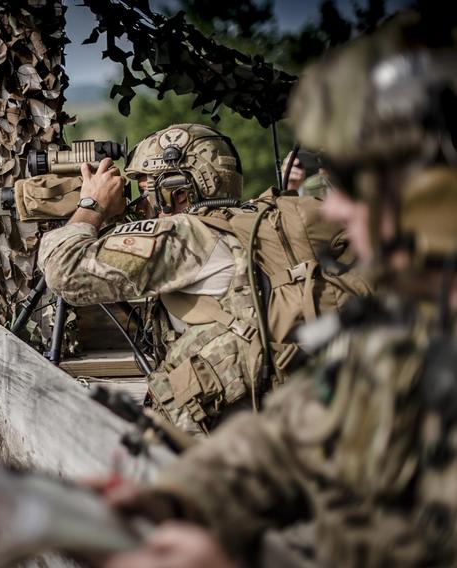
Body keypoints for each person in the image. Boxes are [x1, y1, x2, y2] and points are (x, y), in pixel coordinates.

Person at [95, 11, 457, 567]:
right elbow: (302, 430)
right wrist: (185, 498)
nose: (332, 206)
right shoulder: (412, 321)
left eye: (357, 183)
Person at [38, 123, 367, 435]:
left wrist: (91, 204)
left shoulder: (188, 236)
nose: (140, 204)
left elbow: (62, 268)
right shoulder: (246, 224)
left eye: (146, 190)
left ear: (177, 193)